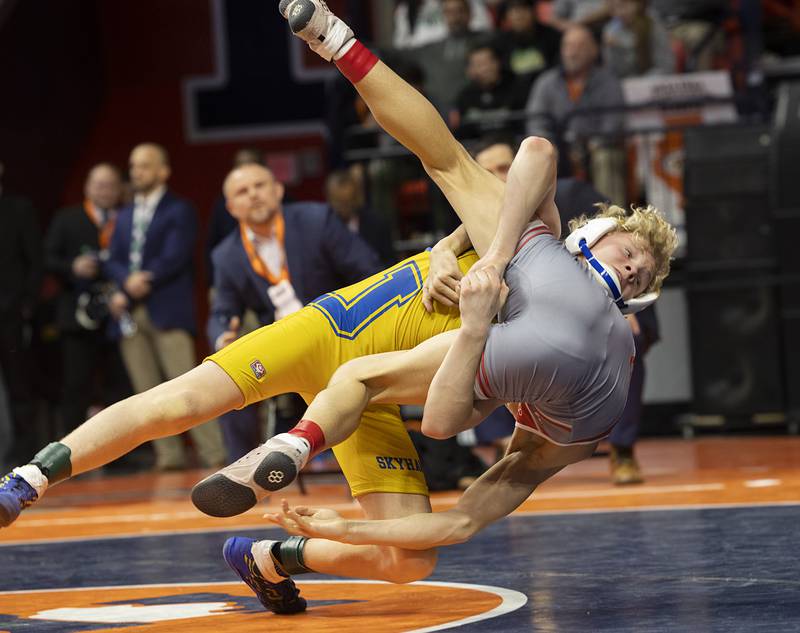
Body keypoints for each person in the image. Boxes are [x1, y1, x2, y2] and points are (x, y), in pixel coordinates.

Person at [0, 1, 675, 619]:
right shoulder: (530, 242)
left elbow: (458, 501)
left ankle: (270, 555)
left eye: (640, 274)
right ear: (592, 233)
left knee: (409, 558)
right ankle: (28, 477)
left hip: (383, 392)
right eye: (628, 254)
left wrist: (335, 524)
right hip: (339, 333)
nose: (630, 269)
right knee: (181, 399)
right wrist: (460, 251)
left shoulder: (560, 340)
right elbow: (476, 159)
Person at [210, 163, 382, 461]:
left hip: (340, 331)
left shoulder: (317, 219)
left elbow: (369, 270)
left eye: (260, 186)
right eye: (242, 191)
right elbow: (222, 311)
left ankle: (370, 462)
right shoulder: (225, 255)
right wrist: (222, 335)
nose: (253, 195)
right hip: (282, 348)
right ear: (231, 207)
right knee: (225, 381)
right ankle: (242, 470)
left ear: (278, 190)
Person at [105, 143, 226, 470]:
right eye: (133, 166)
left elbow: (177, 255)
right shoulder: (125, 213)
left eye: (144, 166)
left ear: (163, 171)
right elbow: (113, 259)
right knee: (145, 392)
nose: (136, 172)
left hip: (167, 307)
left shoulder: (179, 209)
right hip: (131, 311)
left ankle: (213, 454)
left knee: (190, 387)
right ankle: (168, 457)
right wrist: (126, 284)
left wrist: (146, 278)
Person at [44, 163, 131, 434]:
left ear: (120, 190)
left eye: (111, 185)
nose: (105, 191)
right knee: (76, 385)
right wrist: (73, 266)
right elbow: (46, 258)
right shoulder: (67, 218)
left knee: (120, 386)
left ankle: (124, 456)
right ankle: (66, 457)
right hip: (77, 316)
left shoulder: (128, 220)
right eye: (99, 185)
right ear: (87, 187)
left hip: (117, 315)